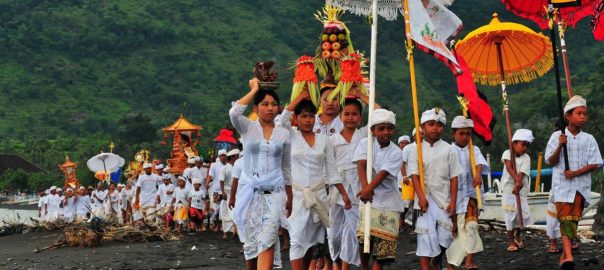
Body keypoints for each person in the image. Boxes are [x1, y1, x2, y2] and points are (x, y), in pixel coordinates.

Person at [280, 91, 351, 270]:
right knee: (296, 239)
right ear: (296, 119)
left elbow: (333, 171)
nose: (308, 120)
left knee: (312, 242)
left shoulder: (324, 140)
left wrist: (344, 194)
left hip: (319, 196)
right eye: (303, 116)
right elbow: (281, 120)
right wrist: (300, 97)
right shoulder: (291, 136)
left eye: (311, 116)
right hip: (296, 196)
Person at [229, 78, 292, 270]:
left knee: (268, 238)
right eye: (265, 104)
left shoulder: (284, 134)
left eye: (274, 104)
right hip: (249, 196)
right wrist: (255, 89)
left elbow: (286, 167)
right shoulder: (247, 127)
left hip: (274, 195)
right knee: (251, 245)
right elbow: (234, 111)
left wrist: (290, 195)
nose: (270, 108)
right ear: (255, 108)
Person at [544, 95, 602, 269]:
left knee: (573, 221)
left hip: (580, 187)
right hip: (562, 187)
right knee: (565, 220)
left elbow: (595, 163)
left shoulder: (589, 139)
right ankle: (569, 255)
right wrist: (560, 146)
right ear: (568, 116)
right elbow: (550, 161)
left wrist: (576, 173)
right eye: (579, 113)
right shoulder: (557, 136)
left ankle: (564, 255)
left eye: (585, 113)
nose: (583, 116)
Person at [328, 89, 378, 269]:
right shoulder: (332, 140)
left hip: (358, 186)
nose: (350, 118)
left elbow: (380, 114)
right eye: (346, 114)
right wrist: (340, 191)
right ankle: (335, 260)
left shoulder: (365, 134)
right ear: (340, 115)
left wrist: (361, 95)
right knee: (334, 233)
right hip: (337, 189)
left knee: (353, 230)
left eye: (354, 114)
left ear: (361, 117)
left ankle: (345, 266)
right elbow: (330, 168)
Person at [408, 108, 462, 270]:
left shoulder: (450, 150)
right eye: (431, 124)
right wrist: (421, 197)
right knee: (425, 237)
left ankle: (436, 261)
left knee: (446, 236)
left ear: (443, 128)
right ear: (423, 127)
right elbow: (414, 176)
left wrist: (453, 201)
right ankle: (427, 266)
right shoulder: (415, 150)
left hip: (444, 200)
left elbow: (454, 178)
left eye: (439, 125)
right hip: (424, 200)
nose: (435, 128)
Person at [353, 108, 405, 270]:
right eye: (381, 128)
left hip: (389, 203)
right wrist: (365, 188)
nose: (386, 132)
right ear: (372, 130)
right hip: (368, 200)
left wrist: (368, 189)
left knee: (382, 252)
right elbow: (361, 164)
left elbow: (383, 174)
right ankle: (364, 267)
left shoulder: (396, 152)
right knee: (364, 241)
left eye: (389, 128)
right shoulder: (365, 144)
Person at [446, 116, 489, 270]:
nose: (465, 137)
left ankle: (469, 261)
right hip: (454, 197)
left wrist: (477, 174)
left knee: (471, 226)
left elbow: (479, 163)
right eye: (461, 133)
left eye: (468, 133)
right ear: (454, 134)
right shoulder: (449, 150)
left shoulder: (474, 149)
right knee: (457, 232)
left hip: (471, 195)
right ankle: (452, 264)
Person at [501, 129, 534, 252]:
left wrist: (519, 183)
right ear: (514, 143)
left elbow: (522, 173)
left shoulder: (527, 158)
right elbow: (509, 167)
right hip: (508, 187)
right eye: (522, 144)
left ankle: (517, 234)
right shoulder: (507, 153)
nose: (524, 148)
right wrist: (516, 181)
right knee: (509, 216)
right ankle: (511, 241)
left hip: (521, 189)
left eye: (527, 145)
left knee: (522, 215)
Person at [219, 149, 240, 238]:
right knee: (225, 212)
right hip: (227, 193)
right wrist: (223, 192)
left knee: (236, 211)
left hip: (238, 192)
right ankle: (226, 232)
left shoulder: (238, 166)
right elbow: (221, 181)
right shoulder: (224, 168)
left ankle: (236, 231)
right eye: (237, 156)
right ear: (234, 157)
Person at [208, 150, 228, 231]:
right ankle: (217, 225)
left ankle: (224, 225)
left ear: (226, 156)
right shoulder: (214, 165)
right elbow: (210, 175)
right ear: (219, 157)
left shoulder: (228, 165)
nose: (223, 157)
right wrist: (207, 183)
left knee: (224, 208)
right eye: (221, 155)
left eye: (224, 155)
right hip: (216, 190)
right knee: (216, 209)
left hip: (226, 190)